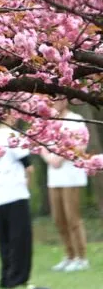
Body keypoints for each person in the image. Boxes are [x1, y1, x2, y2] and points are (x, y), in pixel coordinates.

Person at [43, 99, 90, 272]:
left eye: (59, 98)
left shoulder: (75, 119)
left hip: (72, 176)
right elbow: (40, 143)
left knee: (72, 218)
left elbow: (82, 144)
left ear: (65, 100)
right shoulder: (48, 121)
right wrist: (49, 158)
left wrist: (60, 157)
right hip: (54, 177)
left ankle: (81, 257)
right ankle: (69, 255)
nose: (55, 102)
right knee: (59, 219)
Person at [0, 123, 34, 289]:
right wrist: (27, 183)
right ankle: (18, 277)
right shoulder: (12, 135)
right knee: (20, 237)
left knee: (5, 238)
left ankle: (6, 277)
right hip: (16, 191)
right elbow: (28, 165)